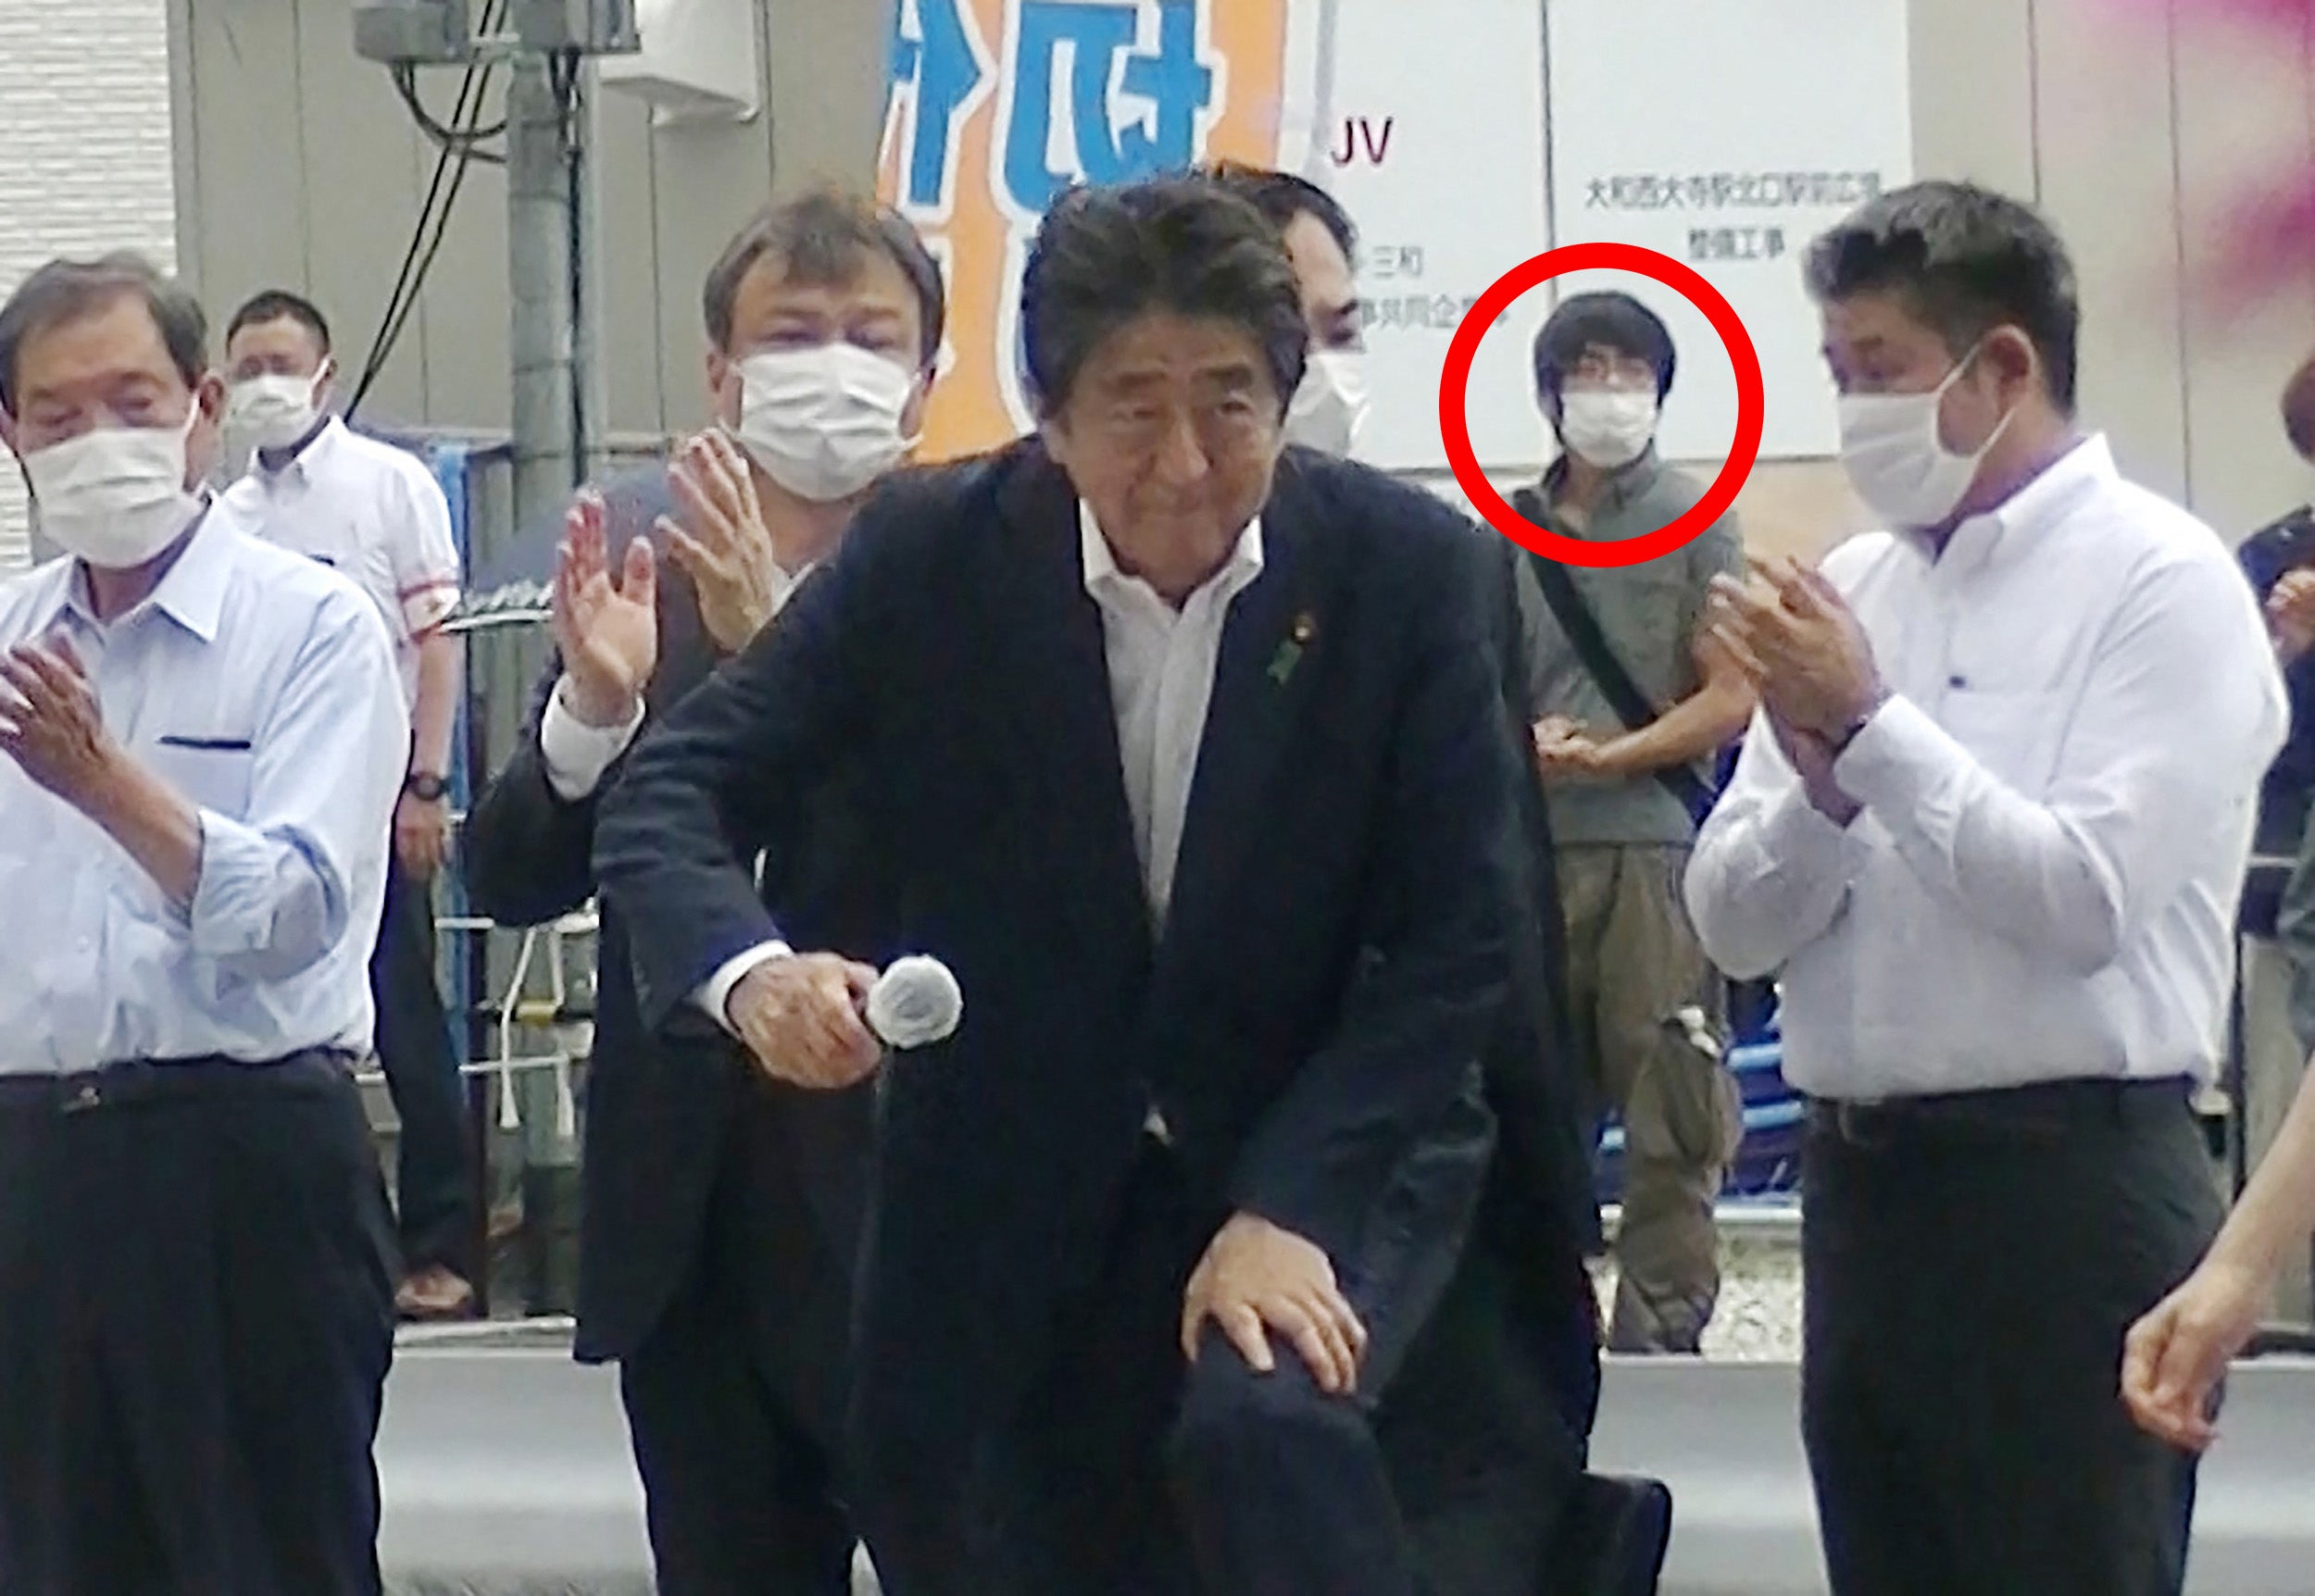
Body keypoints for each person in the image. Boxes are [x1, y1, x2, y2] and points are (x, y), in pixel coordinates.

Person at [595, 175, 1515, 1596]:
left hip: (1307, 1140)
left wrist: (1290, 1208)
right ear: (1049, 412)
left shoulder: (1413, 574)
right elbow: (678, 790)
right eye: (1134, 406)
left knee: (1265, 1438)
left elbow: (1466, 935)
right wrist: (753, 974)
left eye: (1230, 401)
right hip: (1007, 1165)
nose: (1187, 461)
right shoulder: (934, 555)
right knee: (968, 1522)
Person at [1688, 180, 2285, 1596]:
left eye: (1880, 371)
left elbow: (2083, 903)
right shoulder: (1854, 582)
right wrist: (1825, 791)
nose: (1855, 412)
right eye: (1837, 374)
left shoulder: (2164, 584)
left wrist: (1876, 732)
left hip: (2065, 1190)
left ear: (2003, 365)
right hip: (1866, 1191)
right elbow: (1729, 920)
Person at [464, 190, 943, 1594]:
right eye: (793, 334)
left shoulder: (982, 566)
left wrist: (771, 648)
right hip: (694, 1219)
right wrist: (595, 713)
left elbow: (965, 849)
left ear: (925, 377)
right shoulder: (639, 566)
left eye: (871, 335)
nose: (832, 363)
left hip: (915, 1202)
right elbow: (515, 876)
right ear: (722, 374)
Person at [1208, 158, 1668, 1593]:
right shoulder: (1041, 578)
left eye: (1343, 332)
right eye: (1294, 332)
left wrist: (1550, 1243)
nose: (1323, 372)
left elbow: (1496, 940)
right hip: (1181, 1204)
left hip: (1425, 1202)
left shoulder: (1432, 569)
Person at [0, 253, 405, 1592]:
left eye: (132, 401)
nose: (97, 442)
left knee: (267, 1557)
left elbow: (296, 915)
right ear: (12, 436)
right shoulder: (12, 641)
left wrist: (106, 783)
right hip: (40, 1168)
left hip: (243, 1159)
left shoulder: (311, 629)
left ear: (204, 407)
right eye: (56, 417)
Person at [219, 289, 479, 1318]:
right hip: (258, 814)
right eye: (246, 367)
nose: (265, 384)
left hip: (373, 802)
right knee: (285, 1035)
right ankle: (327, 1248)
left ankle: (443, 1244)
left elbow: (436, 644)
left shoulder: (388, 487)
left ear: (326, 374)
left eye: (282, 362)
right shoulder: (227, 516)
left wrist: (426, 780)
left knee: (408, 1021)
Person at [1516, 290, 1751, 1355]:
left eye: (1629, 370)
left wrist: (1613, 755)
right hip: (1526, 856)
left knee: (1671, 1107)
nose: (1606, 391)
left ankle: (1659, 1336)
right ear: (1547, 390)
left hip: (1656, 849)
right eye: (1586, 367)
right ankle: (1533, 1336)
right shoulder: (1501, 531)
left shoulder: (1698, 518)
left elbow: (1731, 690)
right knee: (1521, 1115)